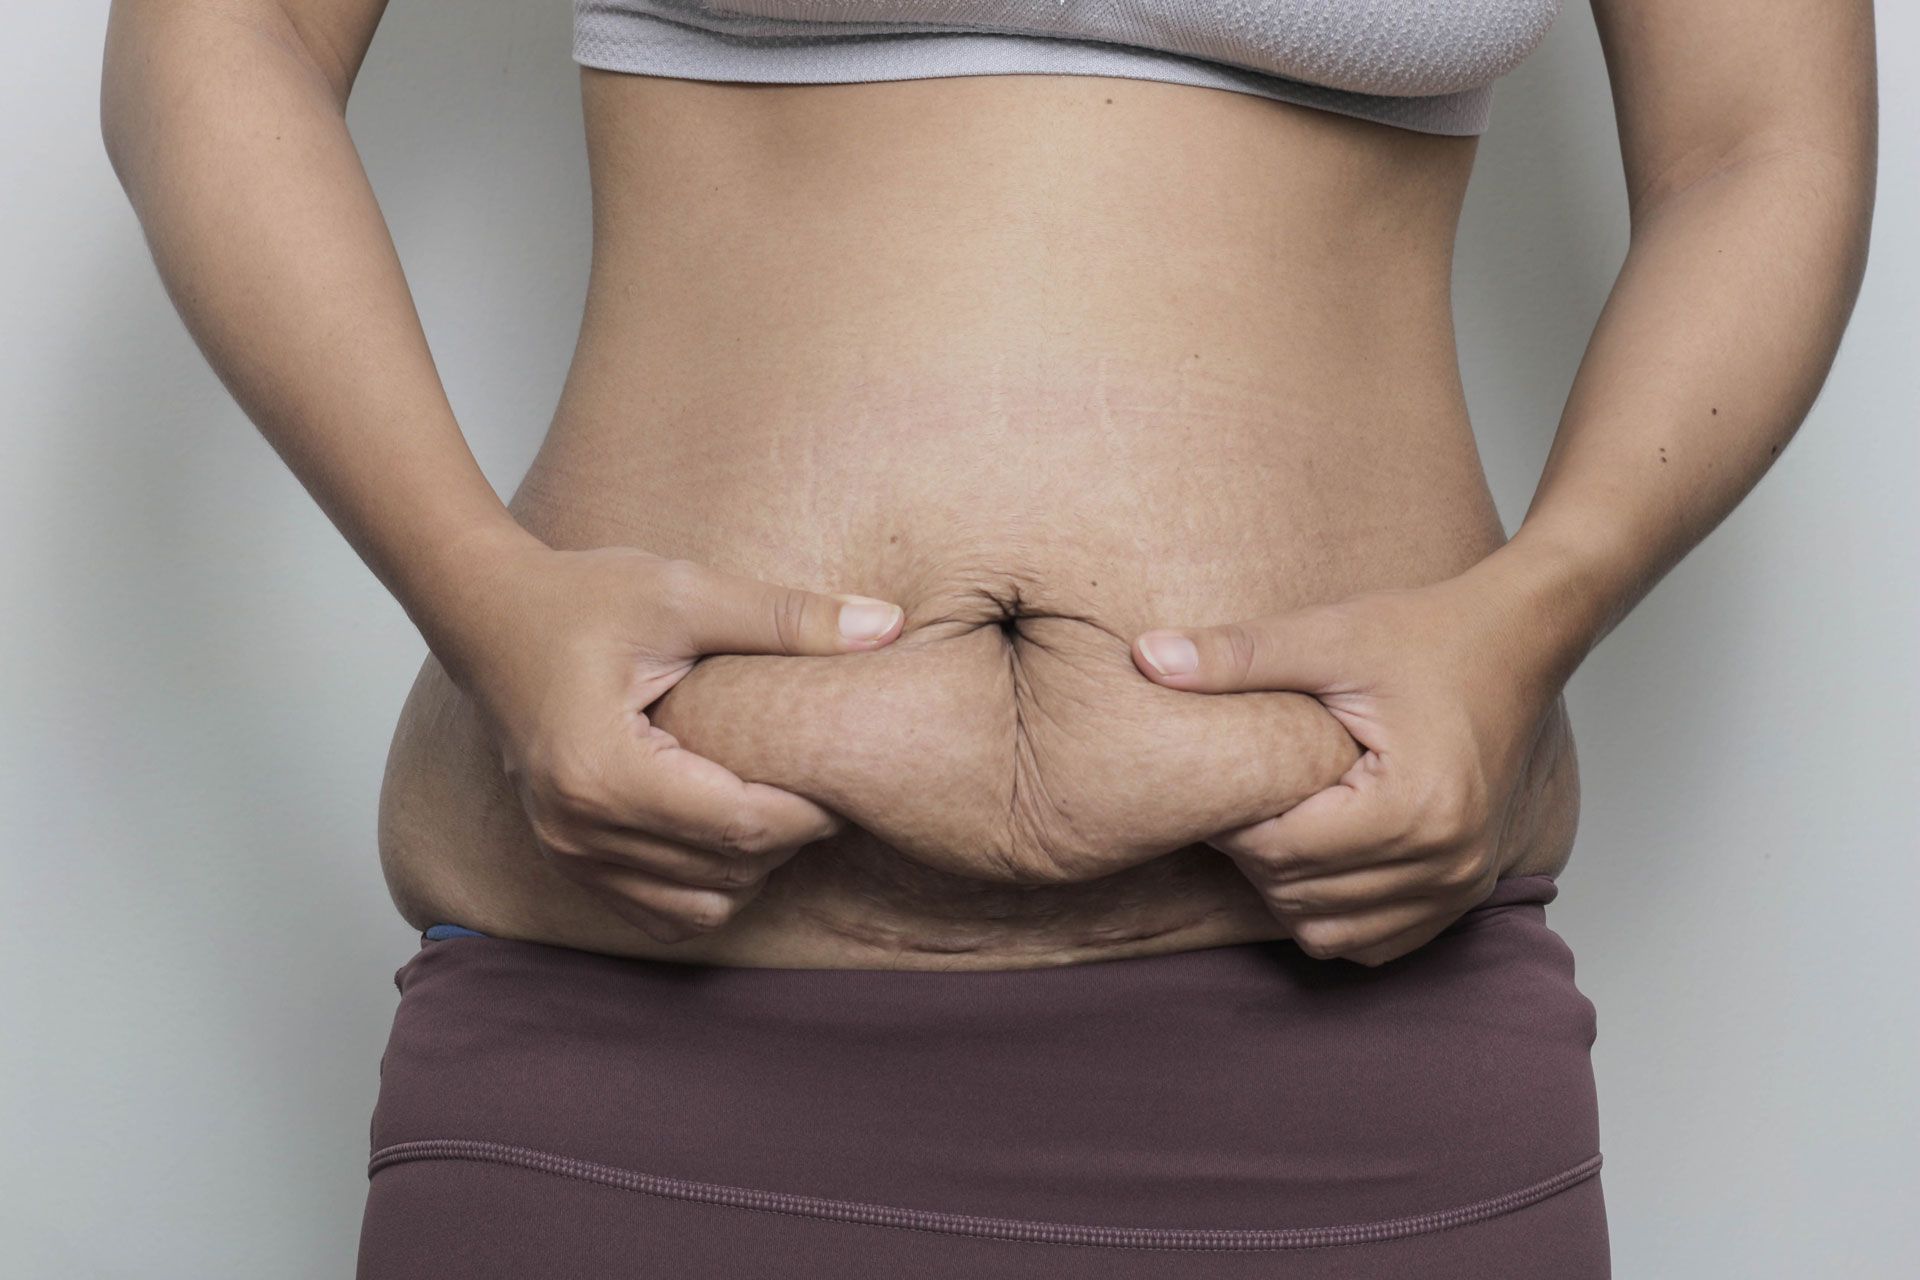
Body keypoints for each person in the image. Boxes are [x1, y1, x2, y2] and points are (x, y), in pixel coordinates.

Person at [100, 1, 1876, 1275]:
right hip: (634, 1036)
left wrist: (1532, 613)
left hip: (1356, 1065)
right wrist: (477, 590)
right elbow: (212, 38)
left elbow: (1760, 145)